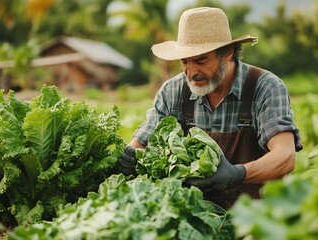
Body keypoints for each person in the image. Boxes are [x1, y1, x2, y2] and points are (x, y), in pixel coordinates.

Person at [117, 7, 303, 209]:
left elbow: (285, 157)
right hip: (196, 218)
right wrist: (130, 155)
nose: (191, 72)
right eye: (185, 62)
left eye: (201, 60)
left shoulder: (264, 87)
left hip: (257, 217)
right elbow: (141, 143)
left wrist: (237, 174)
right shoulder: (173, 91)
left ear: (228, 53)